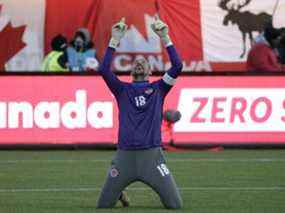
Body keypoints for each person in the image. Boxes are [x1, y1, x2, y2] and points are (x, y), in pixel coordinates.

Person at [97, 17, 183, 209]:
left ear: (150, 70)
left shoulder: (159, 88)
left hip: (151, 156)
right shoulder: (122, 90)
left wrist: (165, 37)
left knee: (175, 205)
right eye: (136, 62)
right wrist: (114, 40)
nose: (139, 63)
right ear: (131, 69)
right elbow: (103, 69)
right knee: (103, 206)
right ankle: (119, 190)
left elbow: (177, 66)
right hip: (124, 156)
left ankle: (119, 189)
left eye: (143, 62)